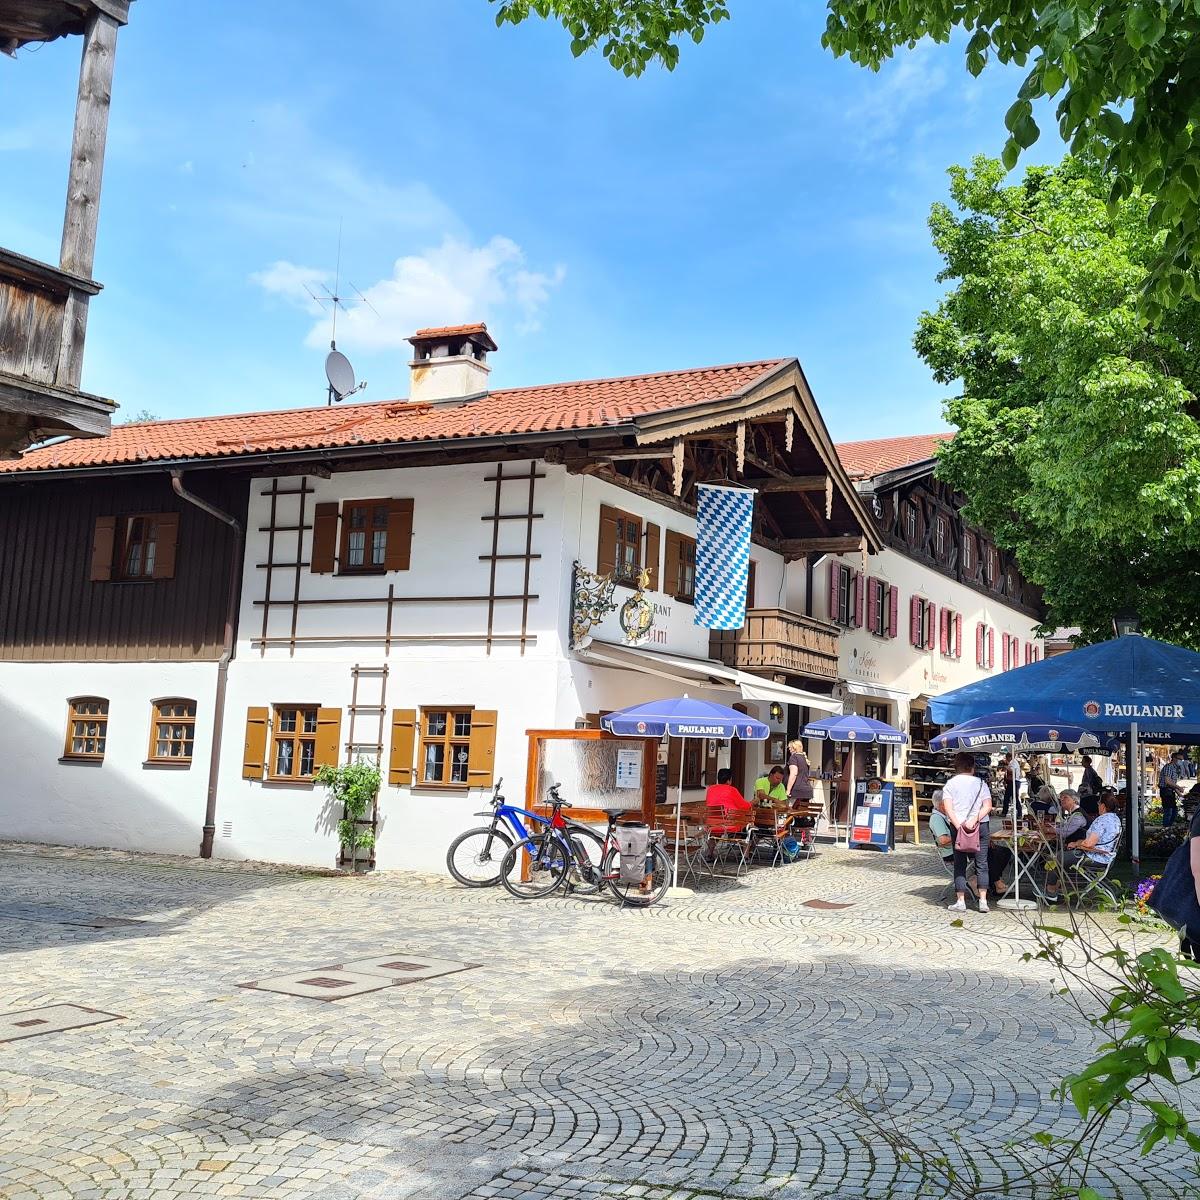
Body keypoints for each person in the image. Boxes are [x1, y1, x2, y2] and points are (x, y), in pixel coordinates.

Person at [1044, 791, 1122, 904]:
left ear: (1103, 806)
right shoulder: (1115, 819)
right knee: (1064, 856)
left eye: (1099, 803)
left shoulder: (1102, 820)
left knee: (1057, 857)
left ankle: (1051, 890)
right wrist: (1077, 842)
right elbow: (1097, 841)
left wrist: (1076, 844)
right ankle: (1058, 888)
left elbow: (1089, 844)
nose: (1098, 806)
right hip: (1106, 857)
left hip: (1095, 857)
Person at [942, 751, 993, 913]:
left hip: (958, 827)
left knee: (960, 864)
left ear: (956, 767)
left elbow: (948, 808)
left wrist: (958, 825)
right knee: (982, 863)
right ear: (972, 767)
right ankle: (983, 901)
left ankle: (961, 901)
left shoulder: (950, 784)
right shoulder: (981, 784)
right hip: (980, 826)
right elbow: (988, 806)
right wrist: (974, 820)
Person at [705, 767, 752, 835]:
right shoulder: (732, 790)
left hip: (712, 824)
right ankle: (737, 844)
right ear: (728, 780)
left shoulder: (710, 789)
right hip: (729, 825)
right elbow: (744, 806)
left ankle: (712, 844)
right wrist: (752, 803)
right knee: (745, 823)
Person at [1159, 750, 1185, 828]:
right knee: (1169, 811)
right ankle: (1166, 828)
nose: (1181, 761)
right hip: (1166, 791)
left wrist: (1179, 794)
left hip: (1170, 791)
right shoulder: (1169, 767)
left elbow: (1172, 784)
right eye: (1179, 759)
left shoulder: (1174, 768)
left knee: (1174, 811)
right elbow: (1168, 782)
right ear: (1174, 758)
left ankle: (1169, 827)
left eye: (1182, 760)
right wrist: (1179, 787)